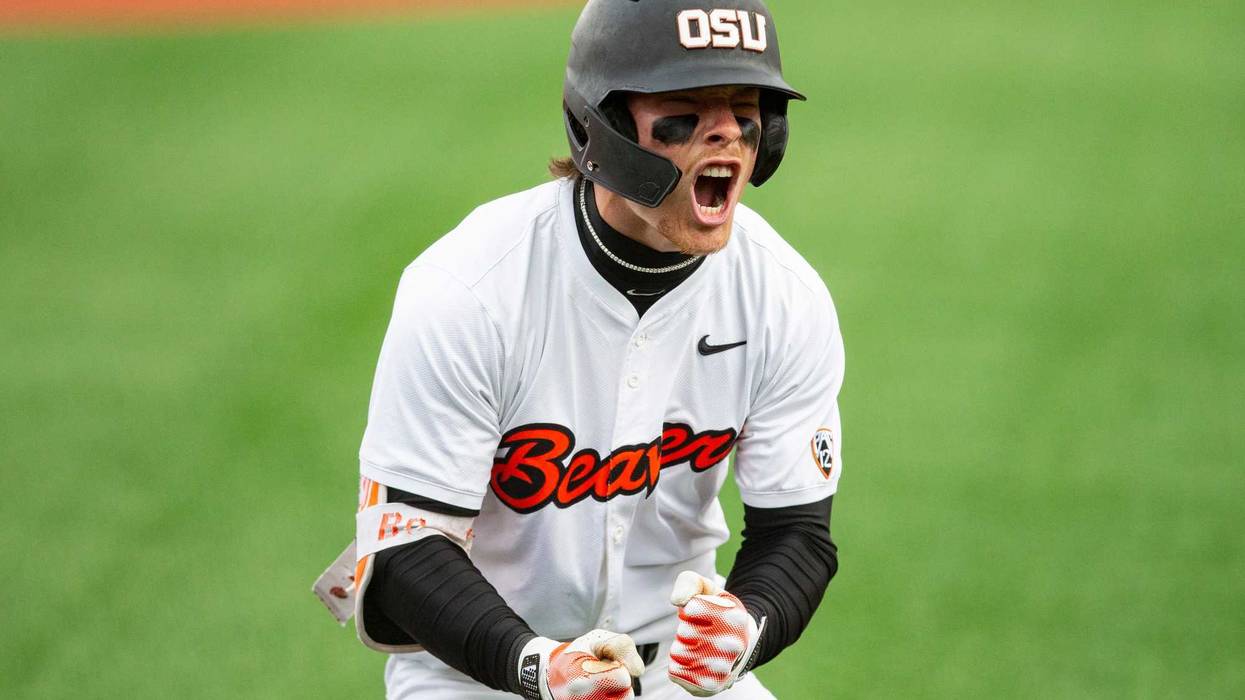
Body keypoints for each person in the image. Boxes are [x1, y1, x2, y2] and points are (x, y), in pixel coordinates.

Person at [348, 1, 844, 697]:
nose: (728, 130)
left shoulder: (780, 294)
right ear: (598, 126)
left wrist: (747, 624)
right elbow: (404, 553)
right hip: (480, 669)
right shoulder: (471, 288)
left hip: (678, 670)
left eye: (744, 105)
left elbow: (795, 532)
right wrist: (538, 666)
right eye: (686, 107)